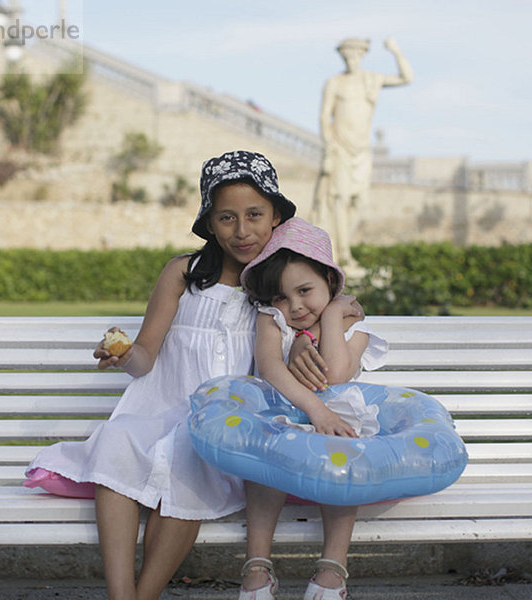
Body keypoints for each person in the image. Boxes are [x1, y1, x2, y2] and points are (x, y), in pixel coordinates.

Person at [23, 150, 299, 600]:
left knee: (192, 459)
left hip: (222, 425)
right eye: (227, 217)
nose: (242, 230)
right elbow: (146, 356)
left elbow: (322, 309)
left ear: (275, 217)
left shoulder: (276, 286)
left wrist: (333, 320)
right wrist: (126, 354)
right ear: (210, 223)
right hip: (159, 412)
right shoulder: (183, 273)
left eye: (254, 215)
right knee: (116, 442)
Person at [239, 217, 388, 600]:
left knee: (344, 467)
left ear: (330, 283)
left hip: (335, 417)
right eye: (282, 297)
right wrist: (313, 409)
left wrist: (334, 316)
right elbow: (270, 366)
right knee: (264, 463)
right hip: (282, 409)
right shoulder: (272, 320)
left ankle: (332, 568)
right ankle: (257, 566)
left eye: (305, 290)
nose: (295, 306)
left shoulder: (354, 328)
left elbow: (336, 374)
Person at [312, 37, 413, 275]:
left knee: (359, 203)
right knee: (339, 199)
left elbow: (407, 78)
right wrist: (329, 146)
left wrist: (396, 51)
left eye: (356, 56)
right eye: (347, 57)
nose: (352, 60)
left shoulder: (371, 79)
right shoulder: (334, 83)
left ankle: (343, 248)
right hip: (341, 149)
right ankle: (343, 255)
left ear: (362, 56)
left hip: (362, 150)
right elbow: (324, 117)